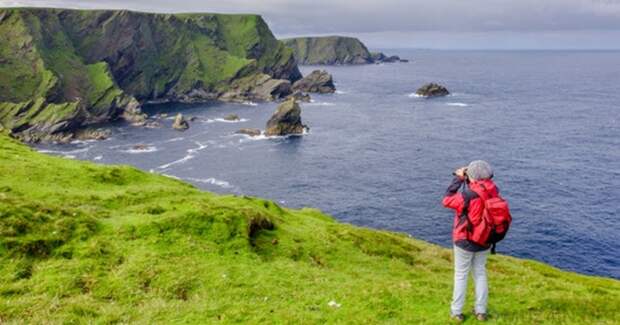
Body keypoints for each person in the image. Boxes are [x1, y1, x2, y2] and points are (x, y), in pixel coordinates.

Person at [442, 160, 498, 322]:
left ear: (471, 177)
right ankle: (481, 311)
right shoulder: (494, 192)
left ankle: (456, 312)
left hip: (465, 240)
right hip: (485, 240)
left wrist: (458, 180)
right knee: (480, 272)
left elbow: (446, 200)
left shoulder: (467, 196)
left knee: (461, 275)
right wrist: (469, 179)